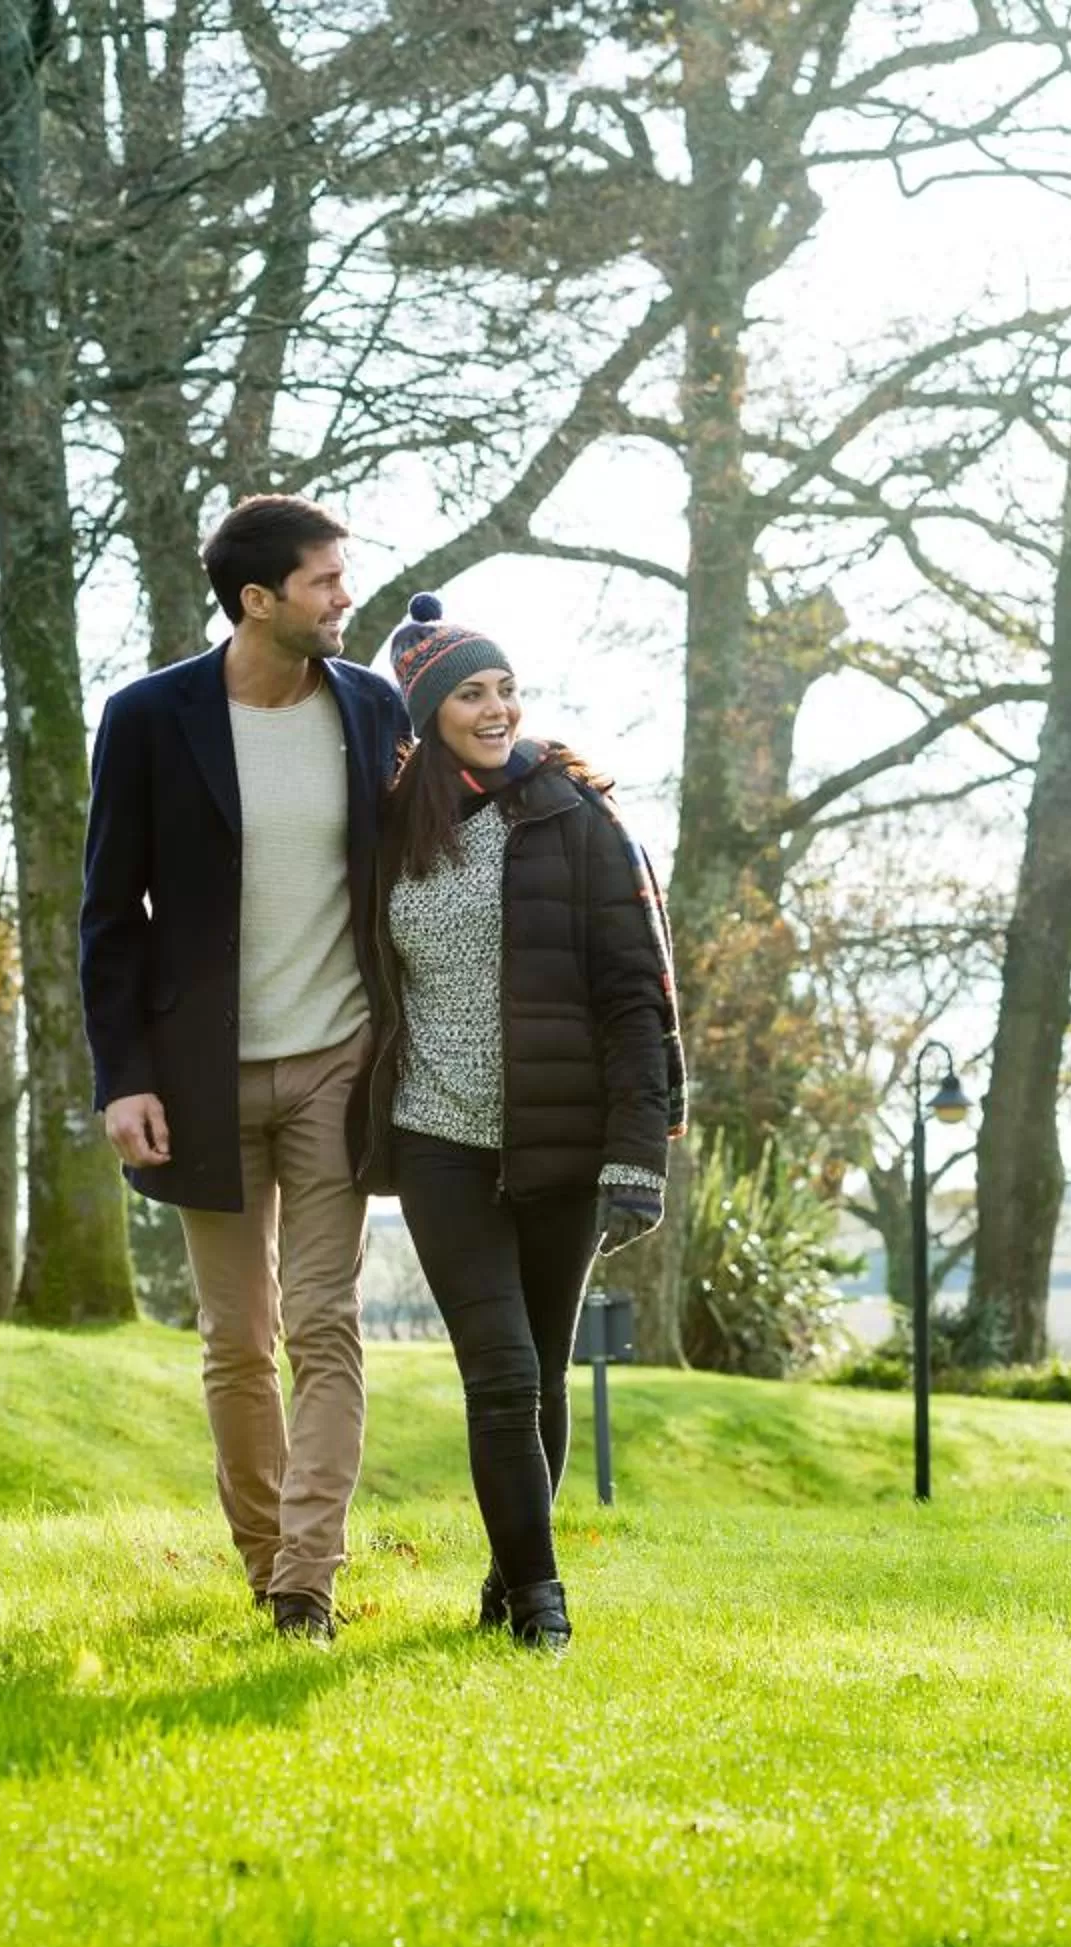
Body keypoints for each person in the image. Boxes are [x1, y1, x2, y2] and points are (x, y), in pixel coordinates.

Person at [80, 496, 412, 1643]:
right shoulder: (148, 718)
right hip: (201, 1079)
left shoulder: (372, 707)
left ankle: (308, 1581)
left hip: (337, 1059)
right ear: (258, 600)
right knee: (237, 1339)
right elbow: (109, 914)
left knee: (325, 1322)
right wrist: (124, 1078)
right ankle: (266, 1554)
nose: (344, 596)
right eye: (326, 580)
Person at [357, 593, 687, 1653]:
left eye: (505, 688)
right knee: (497, 1372)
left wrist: (639, 1155)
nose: (496, 709)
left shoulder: (578, 817)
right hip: (436, 1134)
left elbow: (640, 993)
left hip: (562, 1140)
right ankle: (545, 1609)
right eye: (469, 693)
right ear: (424, 711)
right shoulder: (388, 829)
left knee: (541, 1372)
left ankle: (510, 1579)